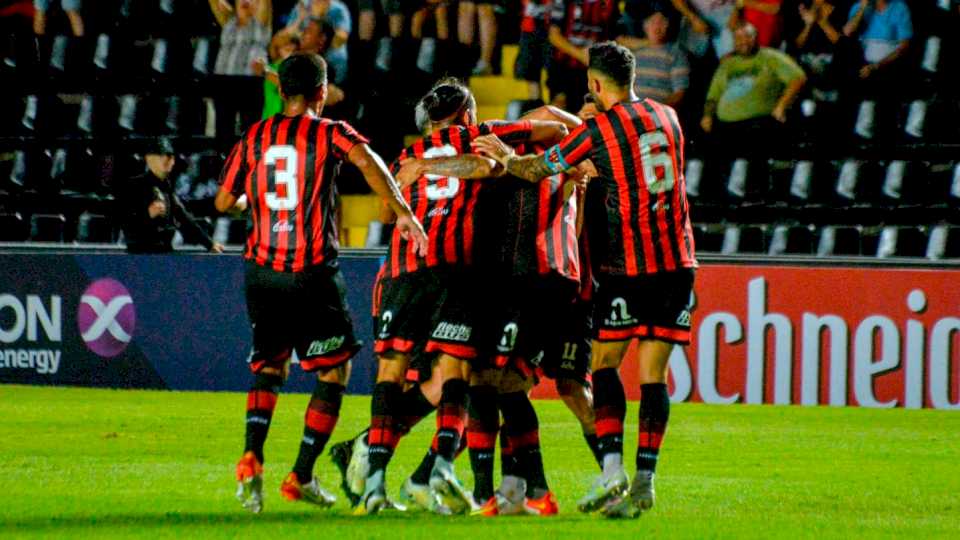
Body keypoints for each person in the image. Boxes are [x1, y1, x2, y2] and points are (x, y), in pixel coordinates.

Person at [473, 41, 697, 519]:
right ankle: (643, 479)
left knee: (608, 364)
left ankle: (612, 468)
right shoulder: (669, 118)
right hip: (677, 260)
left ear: (596, 84)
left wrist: (502, 155)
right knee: (654, 374)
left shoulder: (597, 130)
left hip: (628, 265)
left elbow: (537, 168)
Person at [215, 52, 427, 514]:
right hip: (310, 271)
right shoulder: (330, 131)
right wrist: (405, 215)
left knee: (269, 368)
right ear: (321, 92)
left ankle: (251, 457)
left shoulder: (255, 135)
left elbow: (223, 200)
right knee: (333, 371)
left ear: (282, 92)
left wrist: (257, 209)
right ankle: (301, 474)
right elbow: (369, 162)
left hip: (261, 271)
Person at [355, 78, 568, 515]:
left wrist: (423, 172)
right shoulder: (481, 134)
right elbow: (555, 133)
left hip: (402, 269)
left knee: (390, 375)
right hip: (455, 271)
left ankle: (375, 484)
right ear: (467, 113)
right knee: (458, 368)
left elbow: (381, 212)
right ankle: (440, 470)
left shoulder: (407, 155)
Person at [700, 23, 806, 145]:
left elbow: (798, 78)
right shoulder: (727, 64)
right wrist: (707, 116)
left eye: (748, 36)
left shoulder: (771, 56)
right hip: (726, 126)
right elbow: (713, 95)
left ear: (756, 37)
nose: (743, 41)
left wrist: (782, 105)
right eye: (738, 38)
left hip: (758, 123)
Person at [115, 138, 224, 255]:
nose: (169, 160)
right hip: (140, 255)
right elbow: (123, 219)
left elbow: (184, 219)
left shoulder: (167, 189)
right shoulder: (134, 186)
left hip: (164, 253)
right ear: (149, 159)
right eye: (163, 156)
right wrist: (147, 214)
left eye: (171, 157)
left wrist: (209, 243)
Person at [209, 0, 273, 140]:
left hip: (249, 81)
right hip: (223, 80)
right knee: (223, 130)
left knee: (250, 130)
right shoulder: (228, 21)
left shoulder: (261, 23)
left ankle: (248, 161)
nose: (246, 1)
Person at [548, 0, 621, 112]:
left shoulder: (611, 3)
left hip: (596, 69)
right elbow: (554, 36)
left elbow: (614, 36)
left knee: (589, 113)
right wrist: (582, 56)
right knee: (560, 109)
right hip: (564, 66)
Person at [618, 10, 690, 108]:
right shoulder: (635, 51)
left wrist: (658, 111)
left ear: (668, 26)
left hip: (657, 115)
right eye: (652, 22)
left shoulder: (676, 53)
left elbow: (679, 93)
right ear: (645, 26)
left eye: (662, 22)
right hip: (630, 111)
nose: (657, 26)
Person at [515, 0, 554, 101]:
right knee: (530, 71)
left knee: (554, 72)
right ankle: (535, 103)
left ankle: (555, 105)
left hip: (553, 30)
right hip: (530, 29)